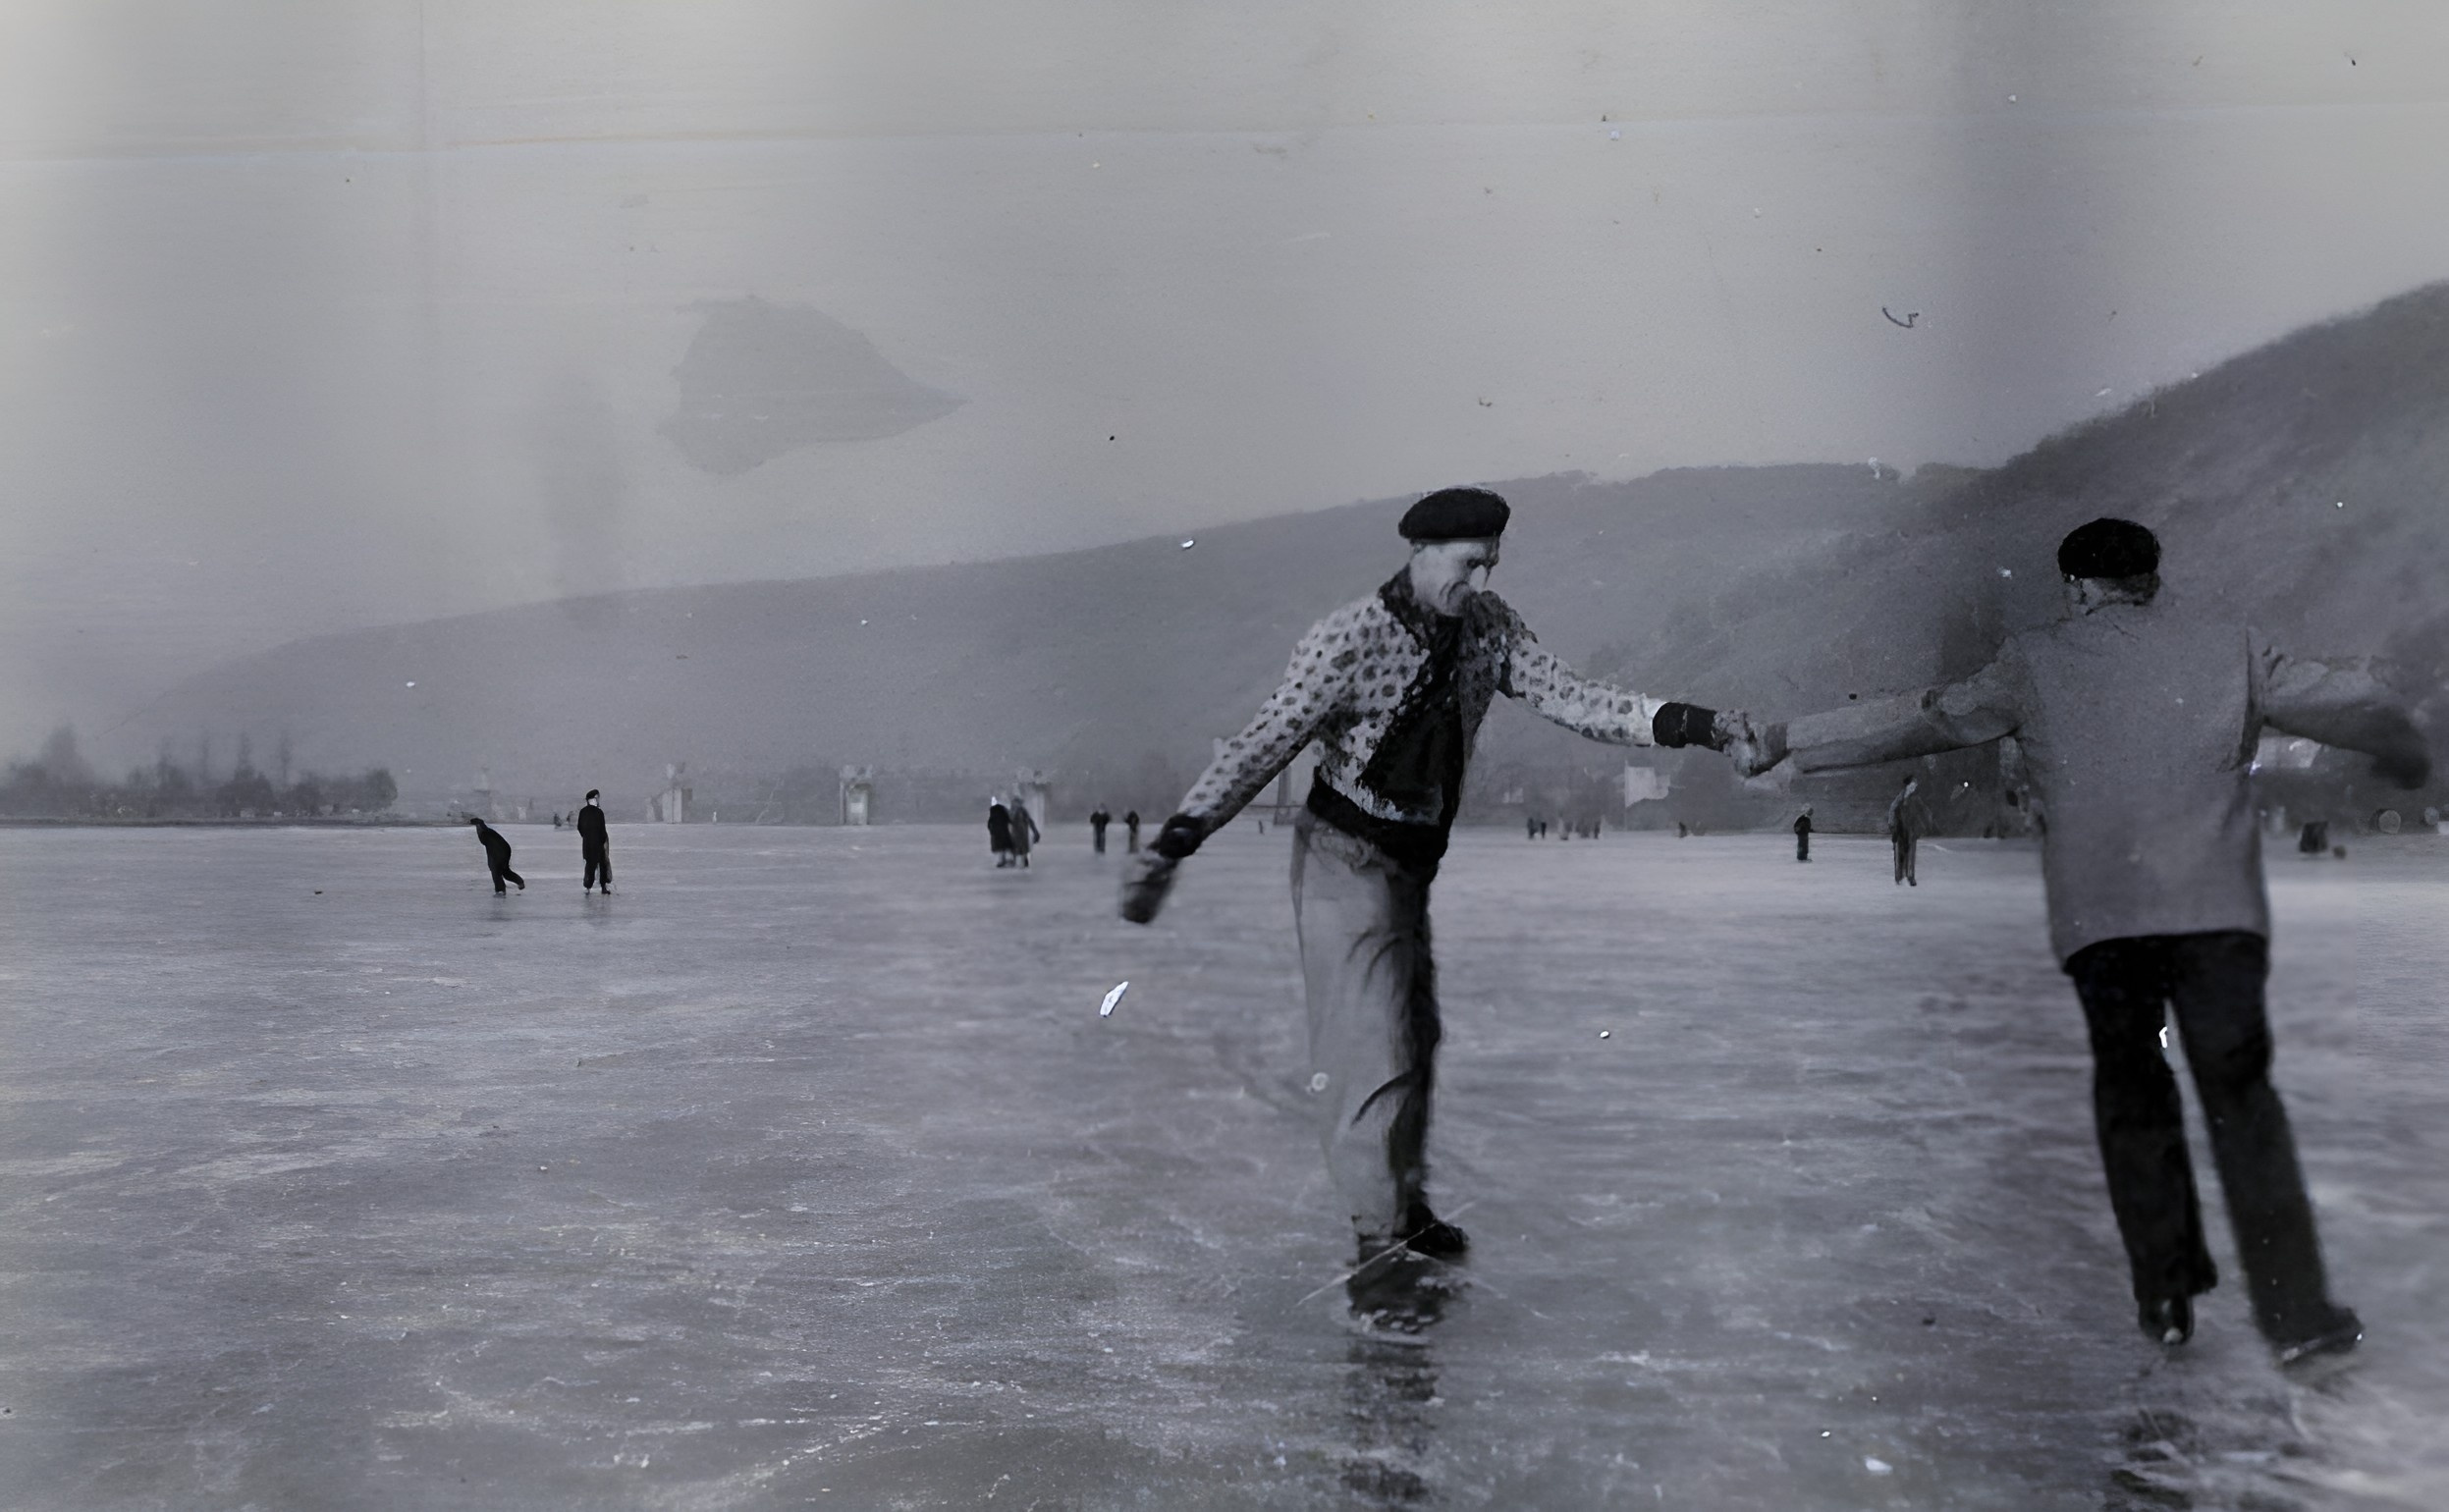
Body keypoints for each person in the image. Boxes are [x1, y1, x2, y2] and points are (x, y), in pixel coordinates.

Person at [1741, 517, 2429, 1367]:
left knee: (2132, 1089)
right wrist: (2405, 740)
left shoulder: (2033, 661)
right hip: (2214, 911)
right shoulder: (2234, 647)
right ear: (2154, 579)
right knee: (2243, 1100)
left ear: (2074, 588)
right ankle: (2298, 1315)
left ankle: (2166, 1291)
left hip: (2105, 919)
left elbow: (1925, 718)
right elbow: (2344, 701)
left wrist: (1784, 738)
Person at [1118, 486, 1759, 1316]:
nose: (1482, 576)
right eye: (1469, 562)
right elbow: (1260, 744)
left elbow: (1577, 699)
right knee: (1373, 1048)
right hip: (1344, 860)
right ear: (1420, 553)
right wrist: (1176, 842)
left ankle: (1404, 1209)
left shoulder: (1488, 629)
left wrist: (1697, 724)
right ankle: (1376, 1242)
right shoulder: (1347, 640)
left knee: (1416, 1037)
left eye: (1491, 560)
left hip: (1411, 866)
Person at [467, 815, 524, 894]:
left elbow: (486, 836)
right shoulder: (487, 831)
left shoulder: (485, 832)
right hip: (502, 850)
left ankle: (500, 890)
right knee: (504, 871)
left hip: (499, 852)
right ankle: (519, 882)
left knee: (496, 871)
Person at [1887, 776, 1925, 886]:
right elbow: (1892, 811)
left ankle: (1910, 876)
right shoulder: (1900, 798)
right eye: (1912, 786)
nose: (1913, 788)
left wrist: (1920, 827)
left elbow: (1921, 812)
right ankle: (1898, 876)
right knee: (1899, 854)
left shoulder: (1916, 799)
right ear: (1908, 786)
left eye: (1915, 786)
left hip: (1911, 830)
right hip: (1900, 829)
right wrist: (1893, 827)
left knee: (1911, 854)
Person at [576, 789, 613, 893]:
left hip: (588, 844)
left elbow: (580, 827)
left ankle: (588, 887)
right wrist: (602, 840)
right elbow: (602, 829)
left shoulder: (583, 812)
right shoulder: (599, 812)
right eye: (596, 798)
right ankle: (603, 887)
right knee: (602, 865)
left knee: (590, 866)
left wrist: (587, 837)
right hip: (598, 844)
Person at [1009, 797, 1041, 868]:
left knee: (1023, 849)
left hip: (1022, 834)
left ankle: (1024, 861)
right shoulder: (1013, 811)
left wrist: (1035, 831)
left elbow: (1030, 821)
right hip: (1016, 834)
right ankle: (1017, 861)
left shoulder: (1022, 811)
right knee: (1017, 848)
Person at [987, 797, 1014, 867]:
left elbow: (989, 823)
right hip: (1003, 832)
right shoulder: (1002, 810)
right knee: (1005, 846)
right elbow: (1009, 819)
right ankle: (1006, 860)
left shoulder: (993, 812)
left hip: (997, 833)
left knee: (1001, 848)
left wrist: (991, 830)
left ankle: (1002, 861)